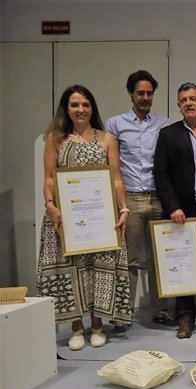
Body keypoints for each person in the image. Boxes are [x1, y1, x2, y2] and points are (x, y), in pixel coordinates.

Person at [37, 85, 131, 350]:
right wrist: (50, 205)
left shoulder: (106, 139)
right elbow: (48, 178)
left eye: (85, 104)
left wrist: (123, 209)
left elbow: (115, 179)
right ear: (66, 109)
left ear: (92, 108)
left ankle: (98, 325)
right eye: (75, 105)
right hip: (66, 220)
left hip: (101, 218)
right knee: (72, 270)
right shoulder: (55, 138)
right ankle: (77, 327)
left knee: (99, 268)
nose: (80, 110)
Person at [105, 70, 170, 331]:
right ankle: (124, 312)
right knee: (130, 258)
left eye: (149, 93)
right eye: (140, 93)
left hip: (157, 197)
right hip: (130, 197)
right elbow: (112, 168)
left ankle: (161, 311)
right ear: (130, 93)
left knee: (159, 258)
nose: (145, 98)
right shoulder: (115, 125)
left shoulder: (163, 125)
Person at [153, 82, 196, 338]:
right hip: (182, 213)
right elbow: (161, 174)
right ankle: (185, 318)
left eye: (193, 98)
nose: (188, 103)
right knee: (185, 266)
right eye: (183, 100)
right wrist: (172, 207)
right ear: (179, 106)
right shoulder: (168, 135)